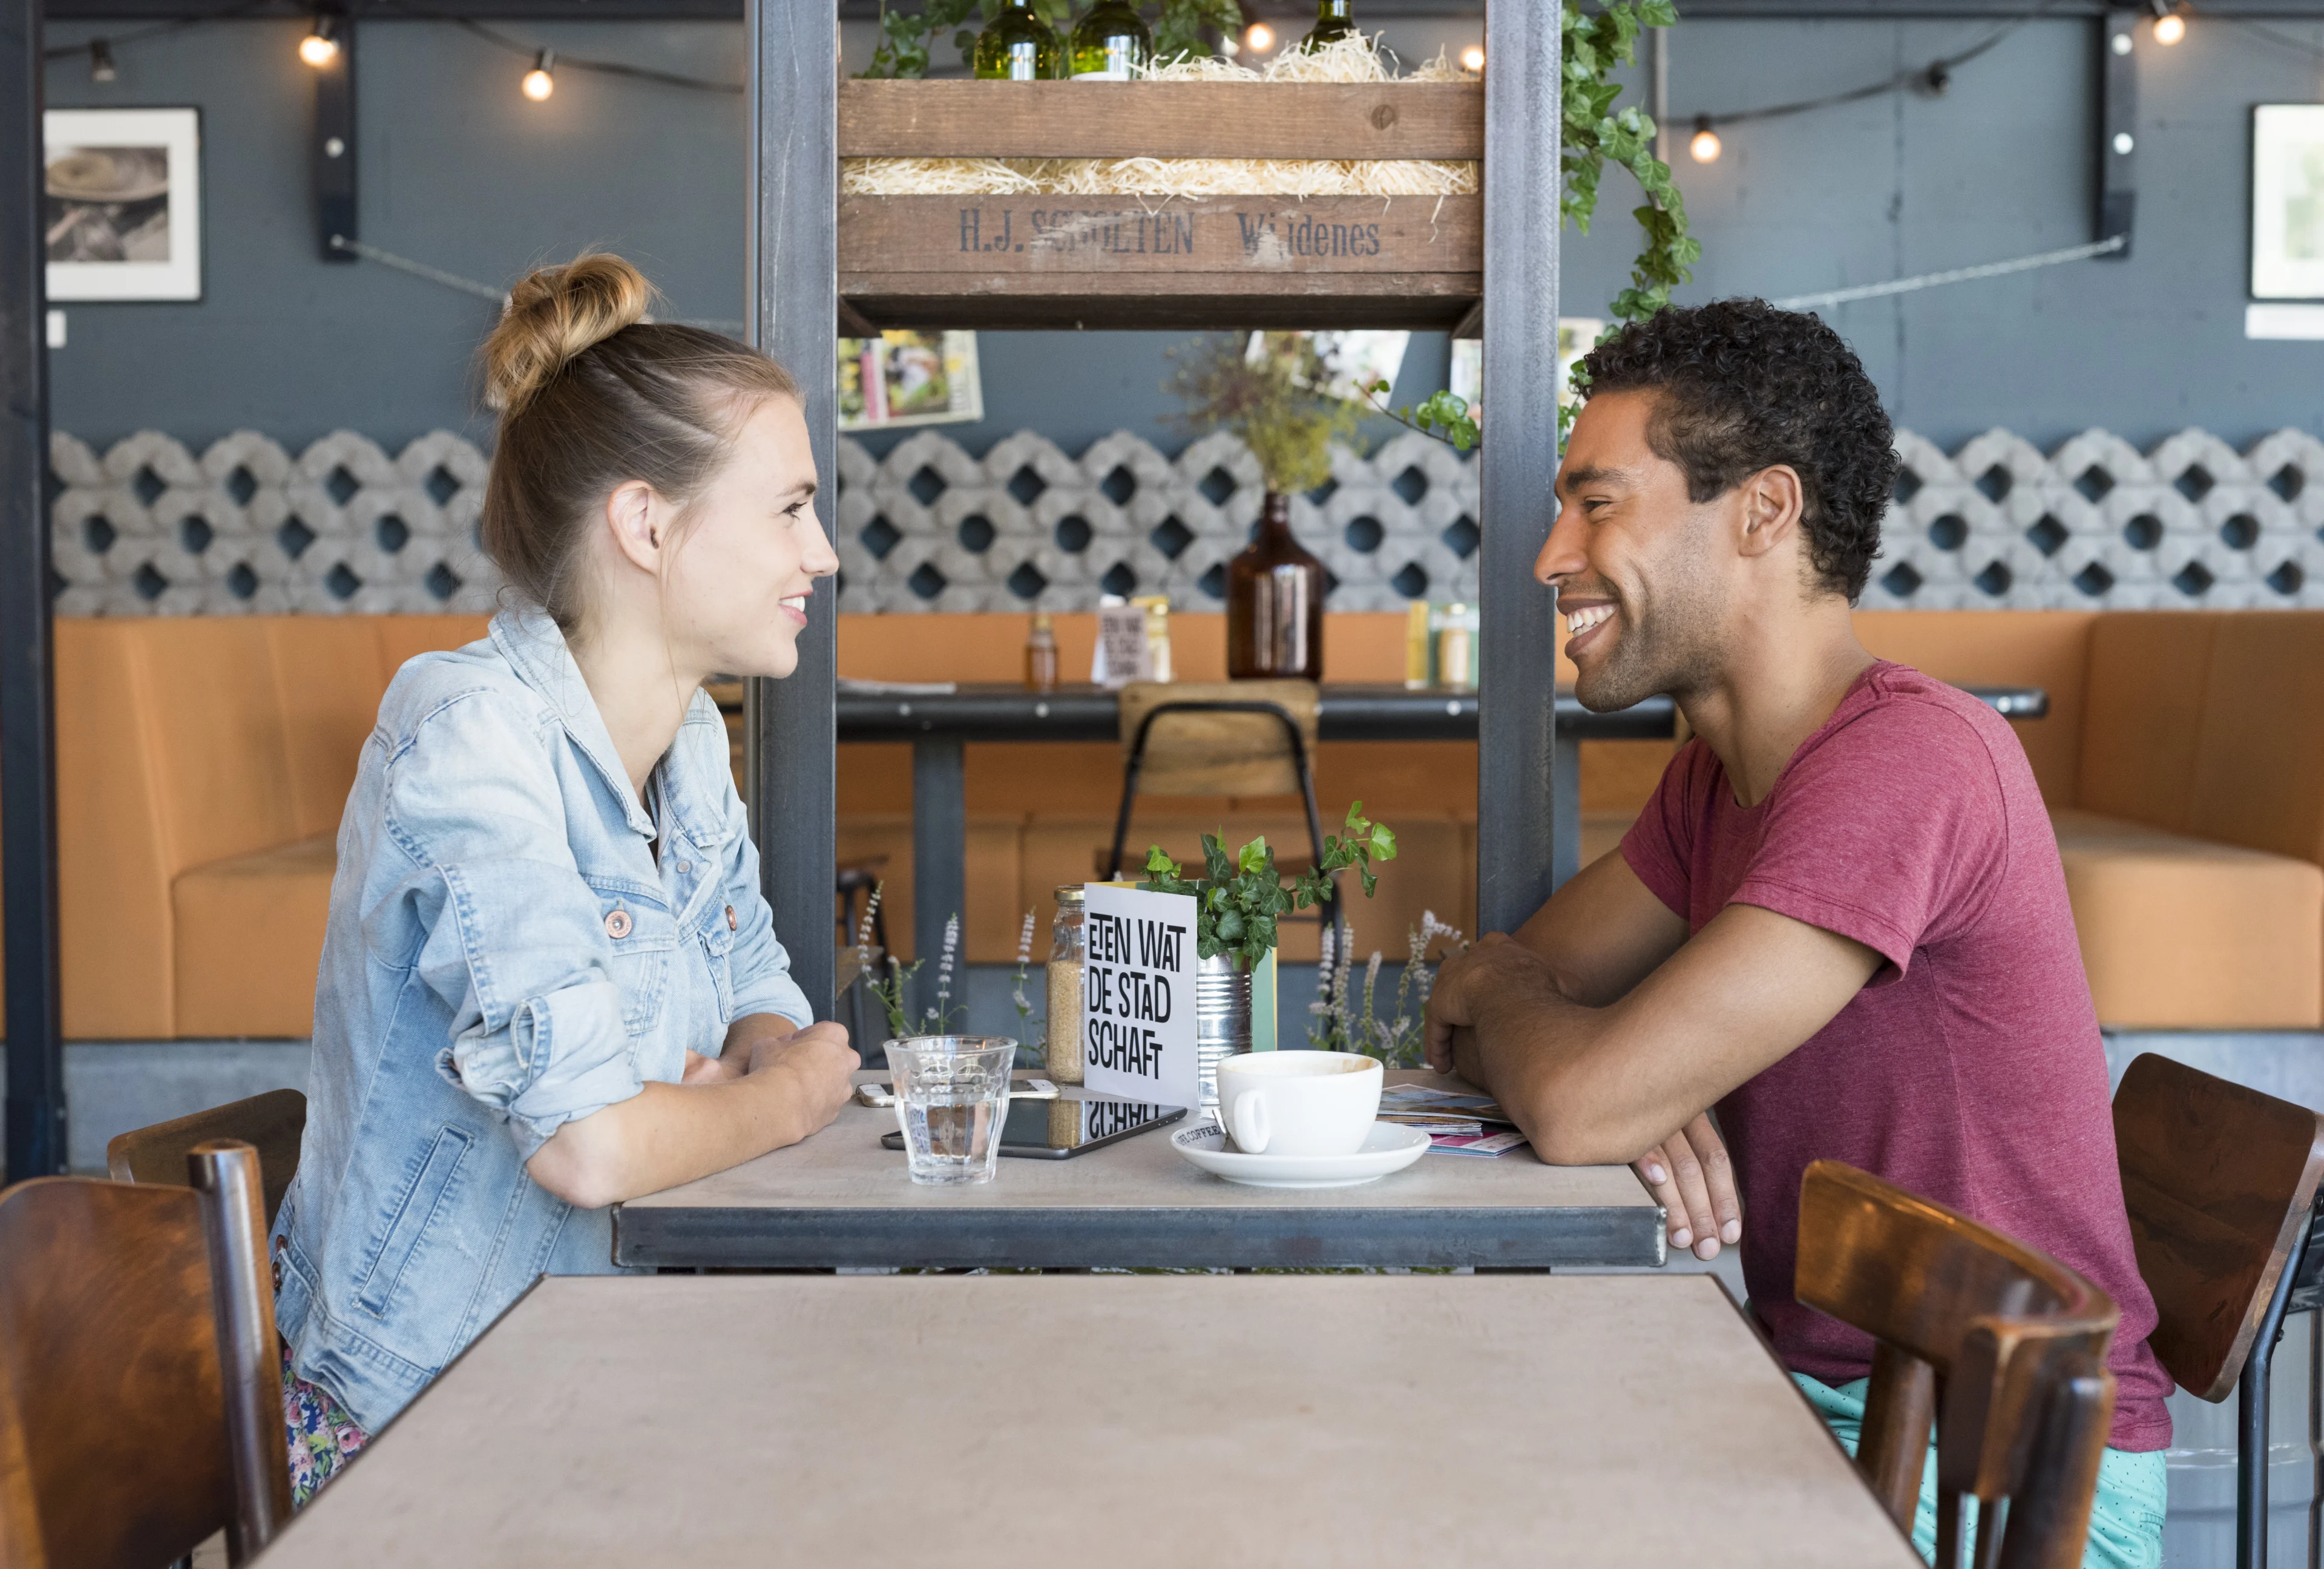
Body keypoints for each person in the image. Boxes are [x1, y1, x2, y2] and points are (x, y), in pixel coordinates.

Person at [1423, 300, 2171, 1568]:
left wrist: (1591, 1059)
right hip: (1832, 1412)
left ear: (1764, 510)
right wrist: (1568, 1036)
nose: (1552, 554)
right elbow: (1471, 1000)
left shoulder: (1905, 765)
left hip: (1993, 1477)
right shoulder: (1716, 782)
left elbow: (1572, 1093)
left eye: (1597, 504)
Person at [271, 254, 859, 1502]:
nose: (826, 551)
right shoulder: (469, 731)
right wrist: (793, 1090)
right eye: (791, 507)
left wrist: (720, 1081)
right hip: (423, 1428)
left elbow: (760, 990)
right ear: (648, 525)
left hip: (602, 1381)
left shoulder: (690, 740)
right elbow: (593, 1151)